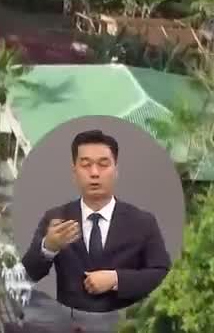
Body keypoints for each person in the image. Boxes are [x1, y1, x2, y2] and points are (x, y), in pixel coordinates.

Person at [20, 129, 171, 317]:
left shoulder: (143, 222)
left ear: (116, 170)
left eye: (103, 164)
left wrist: (116, 279)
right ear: (74, 171)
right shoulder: (57, 218)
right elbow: (27, 275)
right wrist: (48, 247)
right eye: (86, 165)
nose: (94, 173)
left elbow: (162, 274)